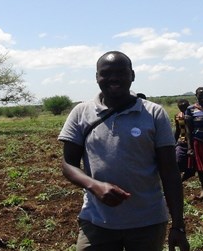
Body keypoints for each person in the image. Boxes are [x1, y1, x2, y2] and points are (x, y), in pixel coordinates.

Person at [59, 51, 190, 251]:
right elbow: (68, 165)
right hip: (96, 221)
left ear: (133, 75)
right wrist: (94, 185)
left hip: (148, 223)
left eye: (121, 72)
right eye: (106, 73)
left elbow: (170, 171)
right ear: (97, 77)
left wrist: (178, 226)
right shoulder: (81, 113)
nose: (114, 78)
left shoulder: (153, 113)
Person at [174, 98, 195, 182]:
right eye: (181, 108)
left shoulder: (194, 115)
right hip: (183, 142)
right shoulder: (178, 116)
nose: (184, 110)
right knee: (178, 161)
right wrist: (174, 143)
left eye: (185, 107)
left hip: (194, 142)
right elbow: (178, 130)